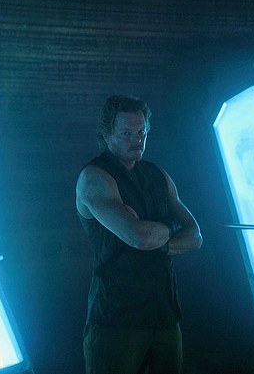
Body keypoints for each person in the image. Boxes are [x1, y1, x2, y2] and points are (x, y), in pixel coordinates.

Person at [75, 95, 202, 374]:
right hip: (117, 318)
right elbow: (139, 238)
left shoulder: (157, 175)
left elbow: (195, 236)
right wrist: (172, 226)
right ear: (107, 134)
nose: (137, 140)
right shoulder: (95, 178)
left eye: (142, 132)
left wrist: (160, 241)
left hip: (164, 313)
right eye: (126, 133)